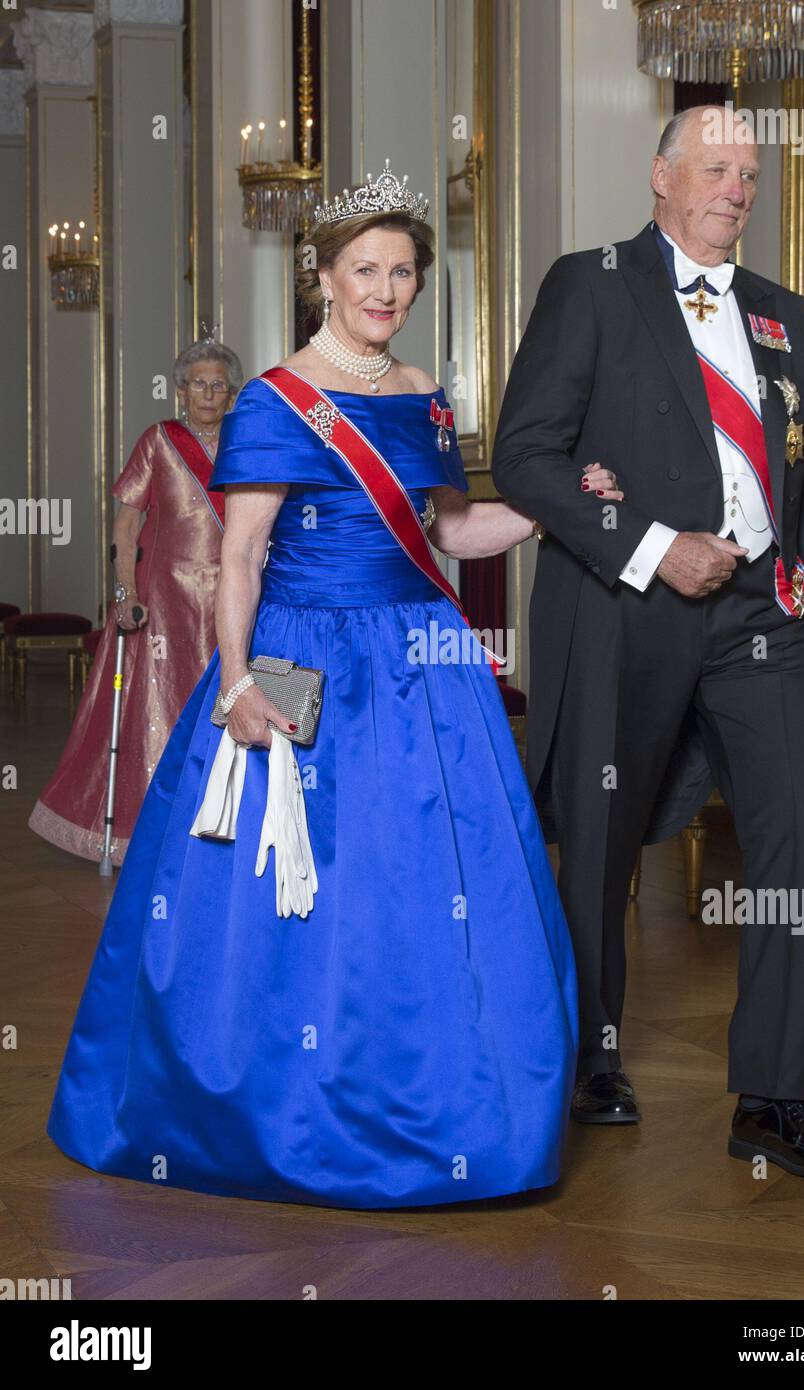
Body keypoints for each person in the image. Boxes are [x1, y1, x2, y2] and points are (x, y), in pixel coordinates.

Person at [45, 161, 621, 1208]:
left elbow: (450, 534)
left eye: (402, 272)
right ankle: (282, 1111)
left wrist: (552, 509)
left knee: (430, 879)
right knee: (294, 896)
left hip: (422, 661)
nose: (386, 290)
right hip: (302, 660)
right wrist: (231, 687)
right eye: (366, 269)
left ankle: (450, 1110)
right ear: (323, 277)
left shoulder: (425, 400)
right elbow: (242, 557)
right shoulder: (275, 399)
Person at [491, 107, 804, 1179]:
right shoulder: (591, 281)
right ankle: (589, 1056)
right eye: (714, 168)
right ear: (660, 175)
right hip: (629, 606)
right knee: (602, 841)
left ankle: (772, 1097)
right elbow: (523, 456)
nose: (735, 190)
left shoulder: (781, 313)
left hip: (762, 618)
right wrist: (652, 545)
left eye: (748, 174)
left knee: (795, 841)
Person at [29, 335, 242, 865]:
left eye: (219, 385)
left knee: (226, 702)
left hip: (232, 596)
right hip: (164, 598)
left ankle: (221, 821)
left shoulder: (246, 443)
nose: (209, 394)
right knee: (161, 703)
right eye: (199, 384)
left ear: (232, 394)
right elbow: (125, 526)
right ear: (180, 391)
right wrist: (124, 593)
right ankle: (155, 827)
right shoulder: (159, 441)